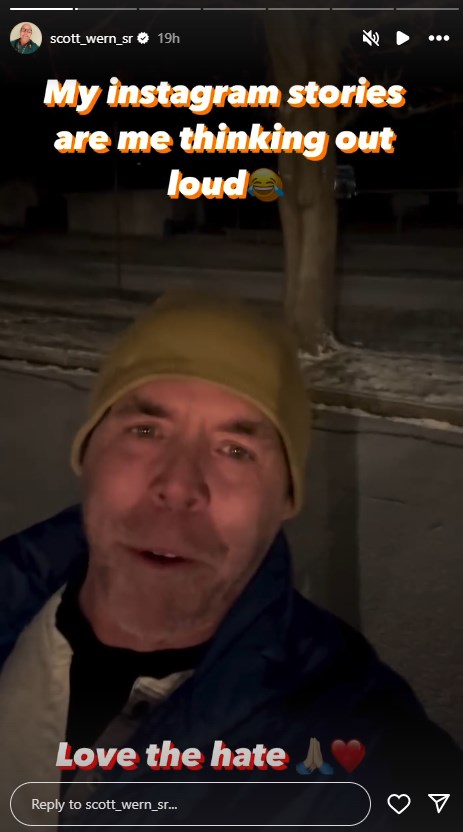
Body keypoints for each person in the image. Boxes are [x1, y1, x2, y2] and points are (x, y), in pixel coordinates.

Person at [0, 290, 461, 831]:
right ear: (87, 455)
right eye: (145, 431)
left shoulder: (360, 739)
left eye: (236, 451)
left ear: (286, 500)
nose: (179, 485)